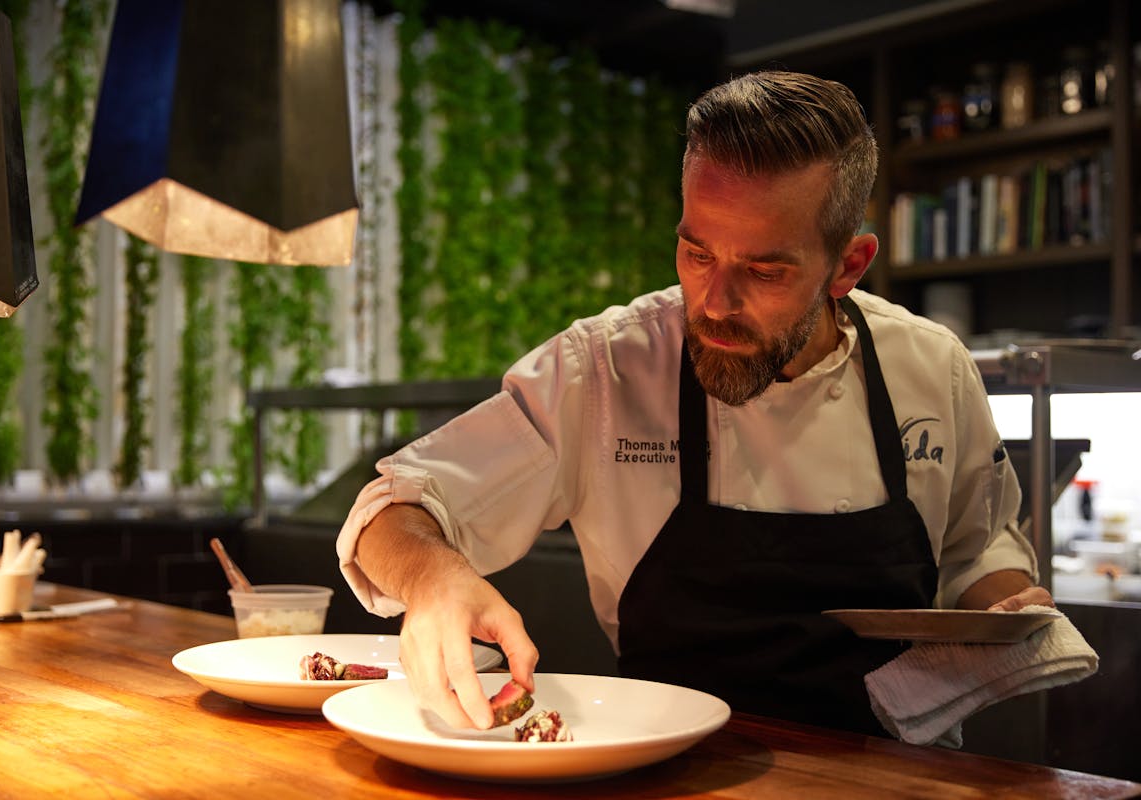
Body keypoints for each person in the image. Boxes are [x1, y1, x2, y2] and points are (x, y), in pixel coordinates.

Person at [336, 70, 1054, 737]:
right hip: (666, 767)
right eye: (696, 254)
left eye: (765, 270)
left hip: (896, 771)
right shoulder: (605, 369)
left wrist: (1008, 604)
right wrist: (434, 578)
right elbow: (394, 507)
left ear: (848, 266)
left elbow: (976, 549)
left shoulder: (932, 367)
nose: (713, 303)